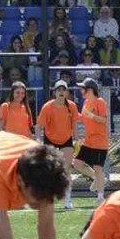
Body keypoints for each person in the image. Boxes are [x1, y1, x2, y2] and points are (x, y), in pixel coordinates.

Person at [37, 80, 80, 209]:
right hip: (50, 139)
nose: (61, 92)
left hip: (66, 140)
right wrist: (39, 141)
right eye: (59, 90)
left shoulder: (72, 106)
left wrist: (77, 140)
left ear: (66, 92)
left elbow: (75, 124)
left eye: (63, 90)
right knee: (49, 170)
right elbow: (39, 126)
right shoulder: (47, 107)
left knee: (66, 169)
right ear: (54, 92)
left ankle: (67, 199)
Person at [69, 78, 110, 204]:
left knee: (98, 168)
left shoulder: (100, 102)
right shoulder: (86, 102)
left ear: (90, 90)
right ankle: (97, 179)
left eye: (83, 88)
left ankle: (100, 196)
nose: (82, 91)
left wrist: (91, 116)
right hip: (88, 141)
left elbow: (104, 120)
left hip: (100, 142)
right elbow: (83, 118)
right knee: (77, 164)